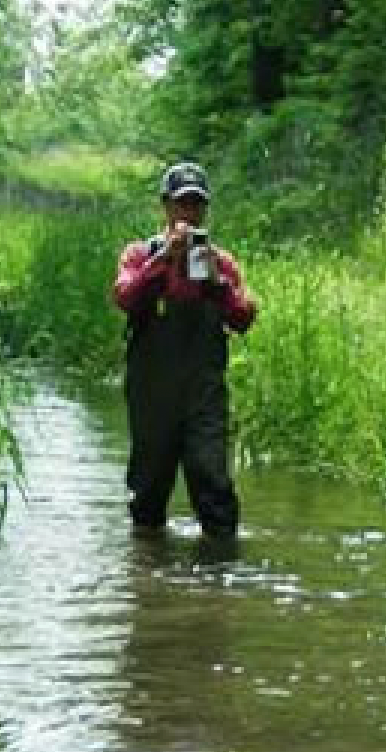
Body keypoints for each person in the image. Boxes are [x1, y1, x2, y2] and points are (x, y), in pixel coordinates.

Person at [111, 161, 258, 541]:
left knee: (214, 482)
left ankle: (220, 576)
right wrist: (164, 262)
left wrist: (217, 285)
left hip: (203, 395)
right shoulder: (140, 255)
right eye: (182, 205)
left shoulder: (220, 263)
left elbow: (244, 317)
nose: (189, 215)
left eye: (196, 205)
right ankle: (147, 575)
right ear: (166, 207)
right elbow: (125, 298)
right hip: (152, 397)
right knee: (148, 491)